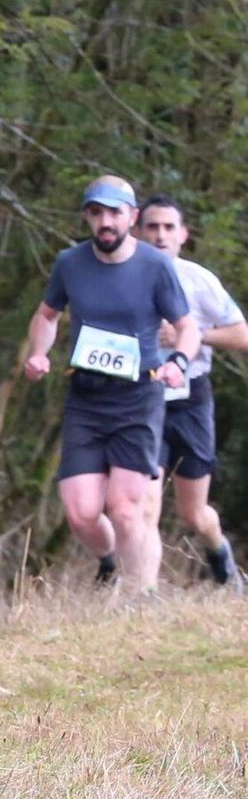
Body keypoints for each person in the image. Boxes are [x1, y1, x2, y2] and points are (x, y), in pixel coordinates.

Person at [23, 176, 198, 596]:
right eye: (97, 212)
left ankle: (140, 599)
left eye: (115, 213)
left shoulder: (155, 266)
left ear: (132, 218)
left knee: (125, 509)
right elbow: (47, 315)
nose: (106, 221)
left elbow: (187, 326)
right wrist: (38, 353)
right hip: (85, 395)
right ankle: (108, 562)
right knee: (82, 513)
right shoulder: (70, 263)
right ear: (87, 216)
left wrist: (178, 361)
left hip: (138, 395)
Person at [136, 196, 245, 590]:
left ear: (183, 235)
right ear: (138, 231)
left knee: (194, 514)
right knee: (145, 507)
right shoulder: (123, 277)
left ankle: (223, 563)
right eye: (152, 227)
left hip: (191, 400)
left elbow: (242, 335)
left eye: (168, 227)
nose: (160, 235)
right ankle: (144, 597)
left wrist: (193, 336)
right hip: (141, 399)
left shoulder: (200, 281)